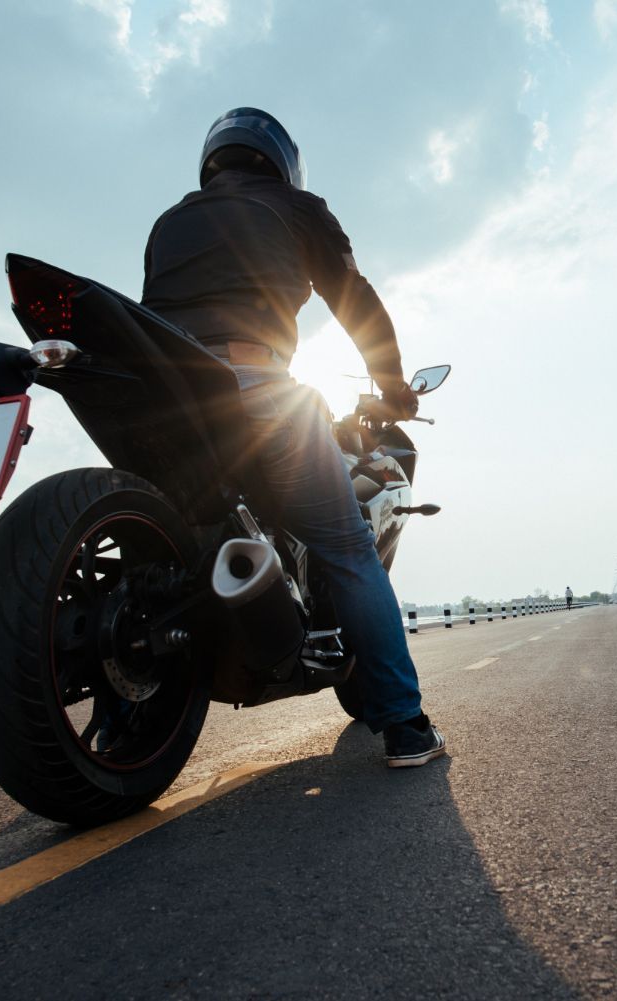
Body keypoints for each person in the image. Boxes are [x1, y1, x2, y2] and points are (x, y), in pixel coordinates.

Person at [141, 107, 445, 768]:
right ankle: (405, 726)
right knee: (349, 547)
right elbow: (355, 300)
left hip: (163, 406)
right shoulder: (299, 209)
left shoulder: (170, 222)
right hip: (259, 392)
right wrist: (393, 386)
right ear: (281, 162)